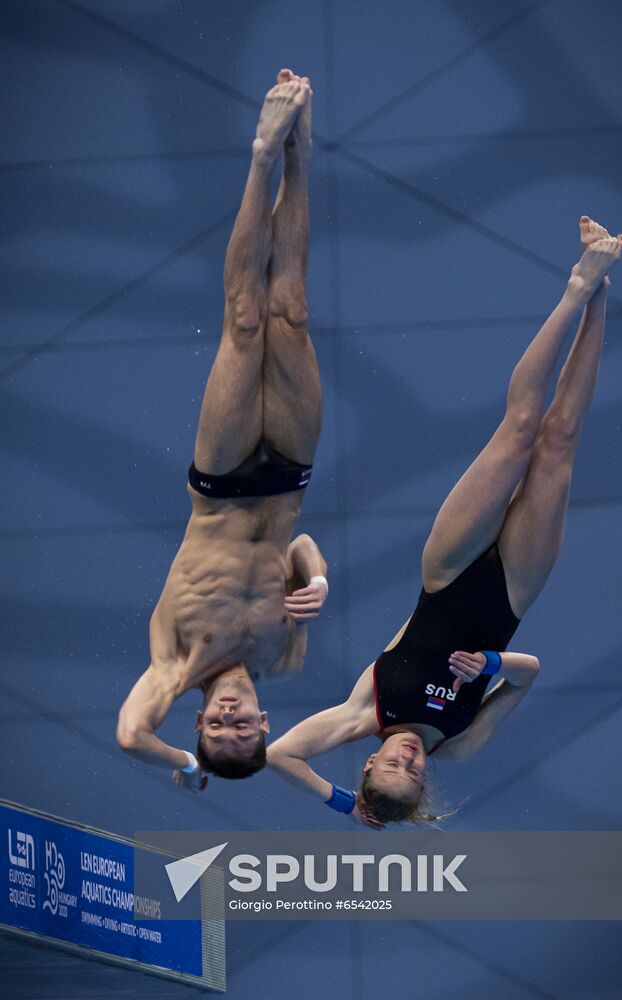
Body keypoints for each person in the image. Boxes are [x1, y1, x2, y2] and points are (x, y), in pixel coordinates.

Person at [268, 217, 622, 826]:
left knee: (518, 433)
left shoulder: (365, 711)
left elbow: (279, 754)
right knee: (560, 440)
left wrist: (341, 804)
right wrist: (491, 665)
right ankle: (600, 288)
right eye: (413, 774)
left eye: (390, 769)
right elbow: (527, 674)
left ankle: (574, 288)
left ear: (367, 764)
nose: (407, 760)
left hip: (449, 570)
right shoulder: (459, 742)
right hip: (515, 592)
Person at [117, 70, 328, 788]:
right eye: (245, 730)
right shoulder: (285, 655)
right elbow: (297, 545)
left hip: (221, 482)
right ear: (268, 724)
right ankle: (302, 150)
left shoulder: (174, 672)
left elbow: (127, 735)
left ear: (199, 721)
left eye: (217, 729)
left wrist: (179, 760)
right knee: (291, 309)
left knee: (245, 320)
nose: (232, 719)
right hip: (289, 479)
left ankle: (262, 156)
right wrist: (318, 577)